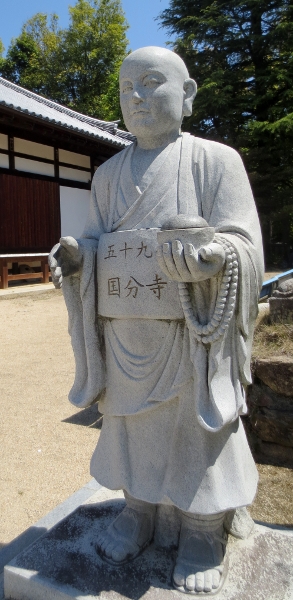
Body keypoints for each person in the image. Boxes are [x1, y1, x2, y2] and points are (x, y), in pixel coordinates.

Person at [49, 46, 264, 595]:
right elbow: (94, 244)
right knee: (126, 425)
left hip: (194, 335)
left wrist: (217, 257)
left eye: (151, 83)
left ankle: (200, 528)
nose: (137, 97)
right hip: (126, 333)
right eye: (126, 89)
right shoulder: (107, 175)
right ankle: (138, 510)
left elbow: (246, 245)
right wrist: (76, 258)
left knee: (197, 428)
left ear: (188, 95)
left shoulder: (215, 162)